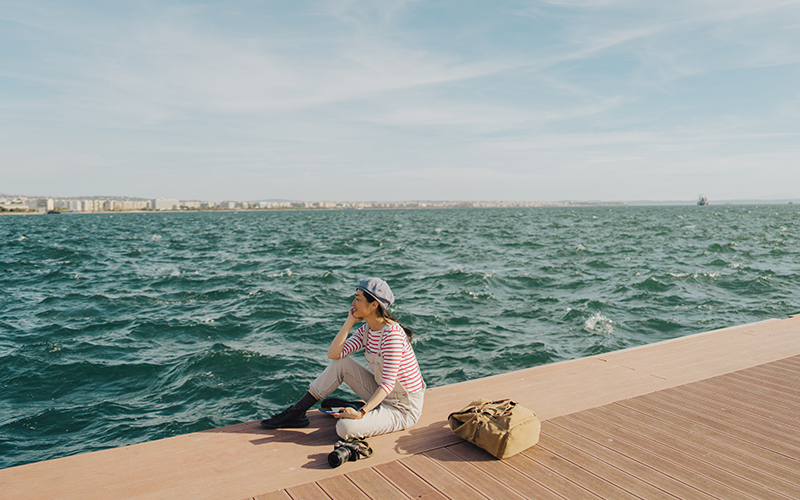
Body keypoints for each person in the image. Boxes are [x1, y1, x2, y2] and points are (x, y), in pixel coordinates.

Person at [260, 278, 425, 440]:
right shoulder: (368, 330)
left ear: (374, 305)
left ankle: (363, 409)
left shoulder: (392, 335)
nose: (353, 303)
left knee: (344, 428)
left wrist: (362, 413)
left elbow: (388, 384)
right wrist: (349, 321)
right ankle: (297, 412)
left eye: (358, 299)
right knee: (342, 363)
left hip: (402, 407)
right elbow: (334, 355)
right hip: (383, 395)